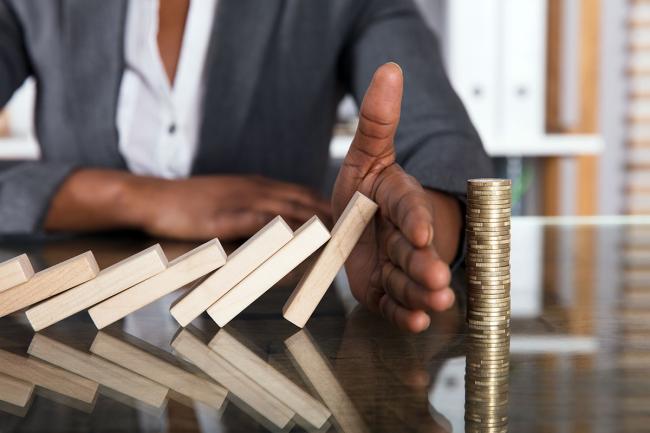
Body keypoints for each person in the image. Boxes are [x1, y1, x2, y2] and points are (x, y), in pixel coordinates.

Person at [0, 0, 492, 332]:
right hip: (75, 334)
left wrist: (421, 230)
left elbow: (443, 141)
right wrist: (131, 196)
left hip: (273, 334)